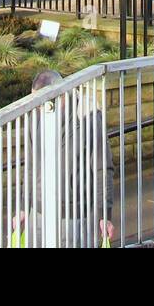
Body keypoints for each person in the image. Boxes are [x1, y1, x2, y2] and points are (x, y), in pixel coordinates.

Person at [13, 68, 116, 247]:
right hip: (38, 211)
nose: (39, 108)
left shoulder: (87, 116)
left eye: (42, 102)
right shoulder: (34, 116)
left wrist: (104, 214)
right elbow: (30, 165)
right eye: (36, 103)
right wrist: (23, 206)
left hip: (74, 215)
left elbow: (102, 168)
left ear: (61, 95)